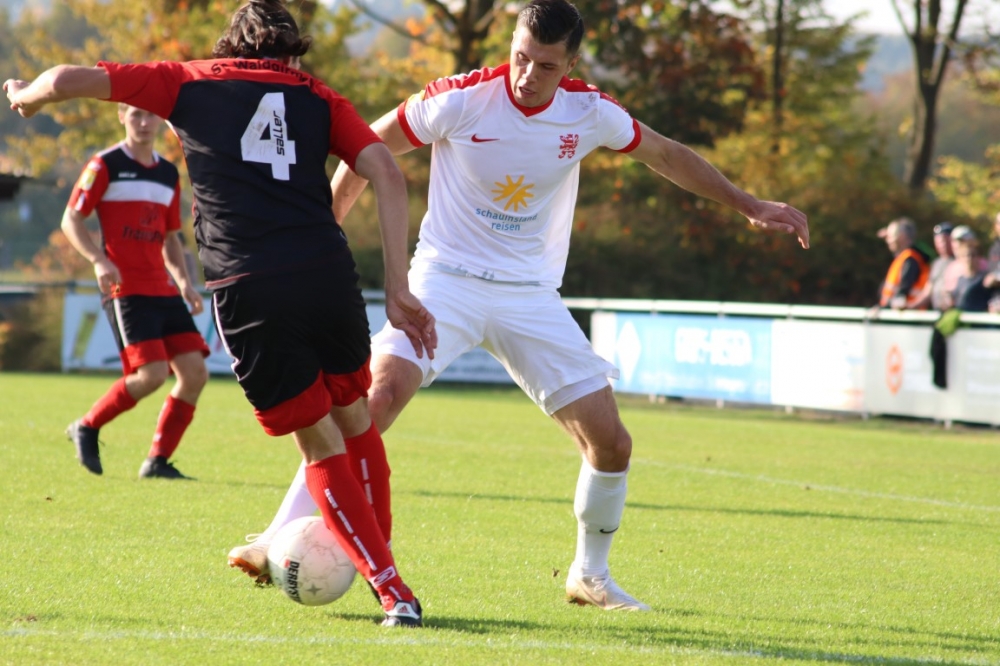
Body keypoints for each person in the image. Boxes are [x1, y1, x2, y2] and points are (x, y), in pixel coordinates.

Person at [225, 0, 809, 613]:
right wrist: (330, 229)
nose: (528, 74)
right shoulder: (460, 98)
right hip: (444, 280)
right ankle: (273, 536)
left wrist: (748, 205)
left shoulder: (590, 113)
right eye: (521, 56)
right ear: (512, 43)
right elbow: (367, 149)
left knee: (611, 444)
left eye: (546, 66)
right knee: (373, 401)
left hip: (529, 295)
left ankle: (590, 575)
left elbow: (666, 155)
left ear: (571, 65)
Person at [5, 0, 436, 628]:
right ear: (288, 55)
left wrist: (28, 96)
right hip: (327, 275)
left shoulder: (188, 78)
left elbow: (70, 77)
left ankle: (392, 589)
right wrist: (398, 286)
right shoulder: (319, 95)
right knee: (355, 419)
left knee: (319, 444)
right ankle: (384, 567)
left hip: (251, 286)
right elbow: (385, 172)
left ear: (228, 47)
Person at [60, 103, 210, 480]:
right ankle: (87, 425)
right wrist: (97, 259)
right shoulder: (104, 164)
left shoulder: (167, 173)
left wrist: (184, 282)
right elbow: (71, 219)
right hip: (125, 289)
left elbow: (171, 237)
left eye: (150, 116)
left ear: (160, 120)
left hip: (162, 289)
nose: (144, 123)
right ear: (121, 117)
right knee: (152, 374)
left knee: (194, 373)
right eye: (135, 115)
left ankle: (157, 462)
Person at [875, 217, 930, 311]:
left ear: (902, 236)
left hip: (908, 317)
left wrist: (883, 308)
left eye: (891, 236)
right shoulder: (903, 258)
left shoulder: (911, 259)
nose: (888, 240)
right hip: (900, 314)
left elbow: (902, 291)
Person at [944, 225, 996, 312]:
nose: (969, 259)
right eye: (966, 255)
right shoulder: (956, 273)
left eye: (973, 255)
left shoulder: (985, 274)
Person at [914, 222, 954, 311]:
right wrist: (911, 306)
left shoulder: (960, 262)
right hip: (937, 311)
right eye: (938, 241)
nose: (942, 245)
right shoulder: (936, 264)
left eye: (944, 240)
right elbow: (927, 291)